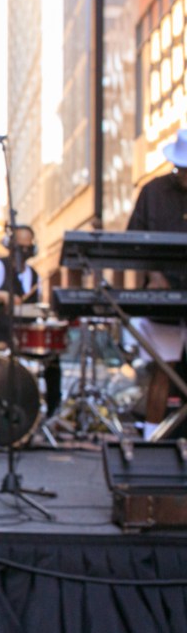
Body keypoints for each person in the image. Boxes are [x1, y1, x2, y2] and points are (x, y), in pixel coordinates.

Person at [126, 128, 187, 440]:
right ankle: (152, 439)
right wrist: (153, 273)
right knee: (162, 369)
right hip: (164, 297)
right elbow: (132, 242)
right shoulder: (154, 192)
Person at [0, 224, 62, 418]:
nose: (24, 251)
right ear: (10, 245)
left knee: (52, 360)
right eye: (20, 246)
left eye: (27, 246)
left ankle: (51, 413)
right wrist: (5, 296)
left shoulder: (34, 275)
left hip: (22, 338)